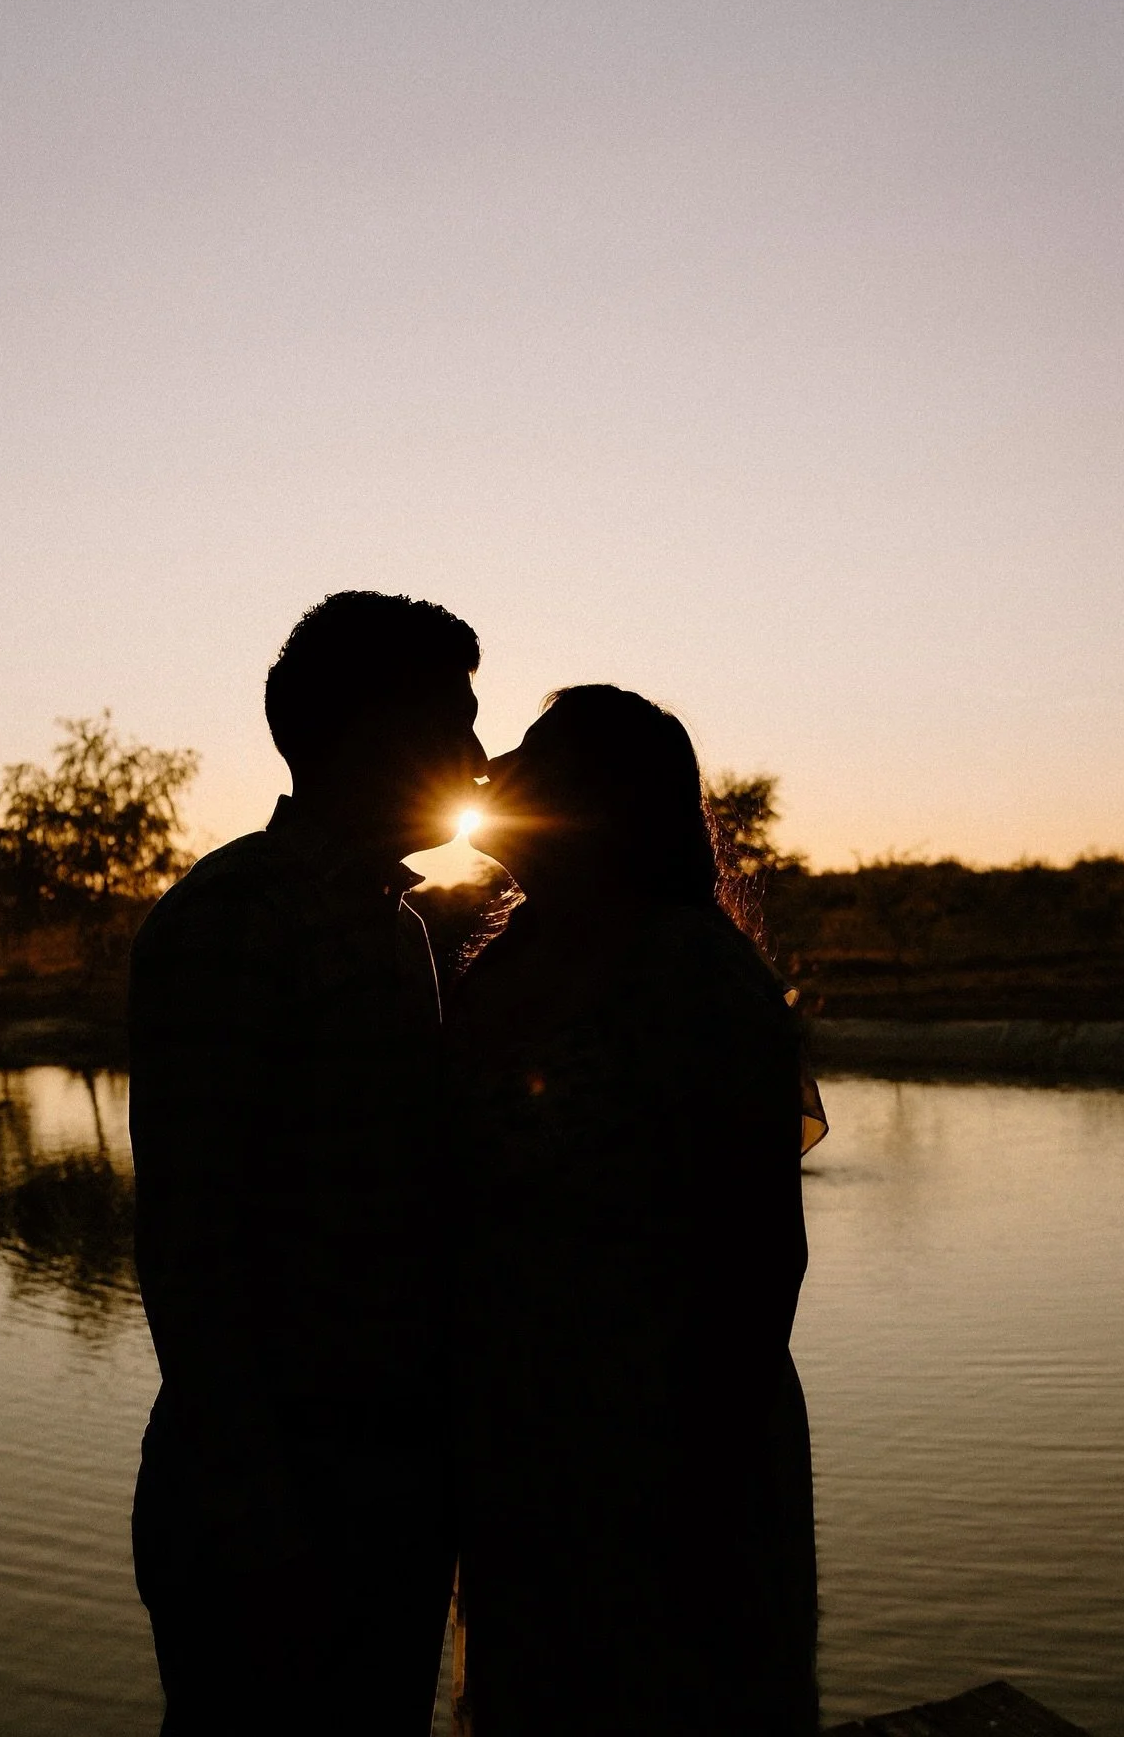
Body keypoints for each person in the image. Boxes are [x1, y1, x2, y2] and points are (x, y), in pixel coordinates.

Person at [129, 591, 486, 1735]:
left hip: (382, 1479)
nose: (478, 758)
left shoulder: (395, 923)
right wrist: (255, 1503)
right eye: (456, 721)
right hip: (277, 1488)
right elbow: (193, 1238)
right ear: (375, 735)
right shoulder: (235, 920)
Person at [453, 684, 823, 1737]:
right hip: (535, 1443)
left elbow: (756, 1264)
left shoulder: (687, 974)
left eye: (526, 755)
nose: (490, 774)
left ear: (593, 802)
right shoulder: (527, 954)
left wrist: (681, 1474)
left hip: (667, 1457)